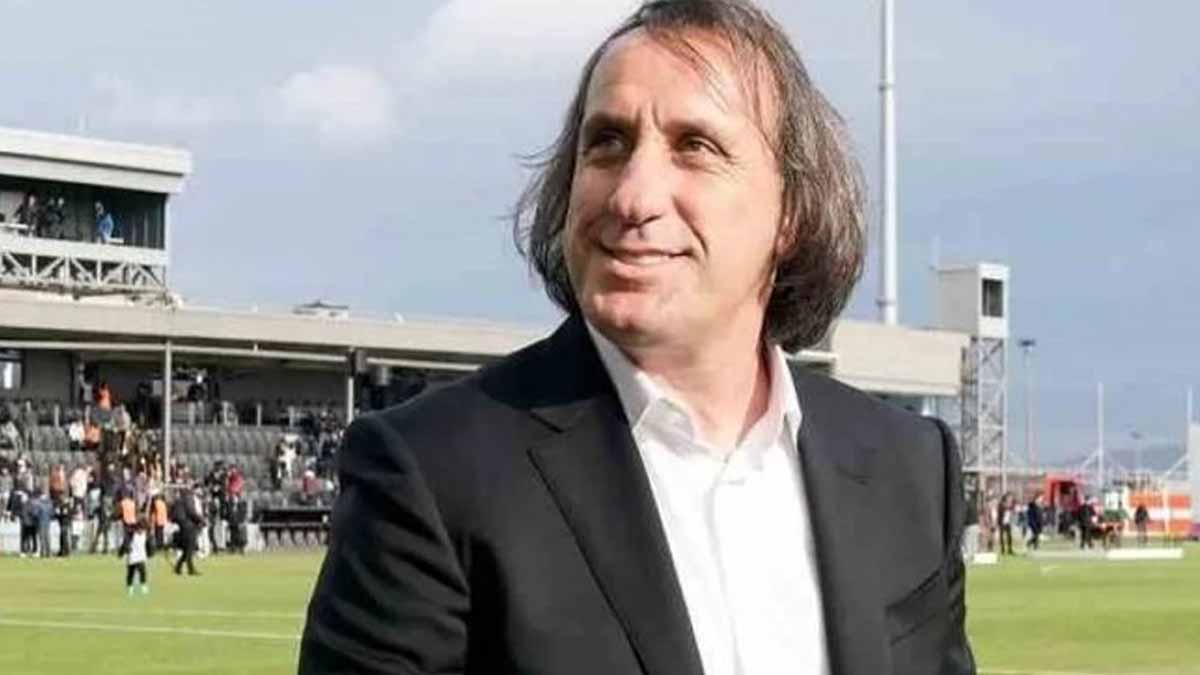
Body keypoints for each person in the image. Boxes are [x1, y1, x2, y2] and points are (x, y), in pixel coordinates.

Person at [298, 2, 973, 674]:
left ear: (790, 211)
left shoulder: (910, 472)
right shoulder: (431, 471)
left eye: (694, 147)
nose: (632, 197)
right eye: (608, 143)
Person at [171, 486, 204, 576]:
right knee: (190, 548)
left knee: (187, 549)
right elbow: (191, 512)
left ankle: (178, 567)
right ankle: (190, 569)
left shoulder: (178, 501)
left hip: (182, 526)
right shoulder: (188, 499)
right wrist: (201, 520)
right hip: (189, 526)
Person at [124, 518, 151, 597]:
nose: (141, 531)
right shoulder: (131, 534)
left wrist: (150, 552)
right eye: (140, 529)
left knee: (143, 571)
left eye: (143, 529)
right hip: (132, 556)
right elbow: (126, 543)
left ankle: (143, 586)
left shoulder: (146, 534)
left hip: (141, 556)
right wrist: (127, 548)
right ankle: (130, 588)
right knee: (131, 573)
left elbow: (148, 544)